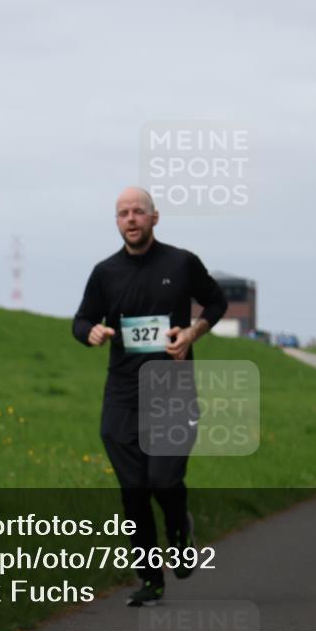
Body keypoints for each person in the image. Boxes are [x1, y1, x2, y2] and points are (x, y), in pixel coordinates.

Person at [72, 187, 228, 605]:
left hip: (172, 390)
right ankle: (150, 579)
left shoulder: (181, 263)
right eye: (123, 213)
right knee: (134, 489)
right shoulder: (104, 273)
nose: (131, 219)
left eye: (138, 211)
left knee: (163, 479)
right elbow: (82, 318)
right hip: (123, 394)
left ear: (154, 218)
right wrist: (90, 331)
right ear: (117, 221)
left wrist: (192, 332)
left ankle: (180, 535)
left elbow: (216, 301)